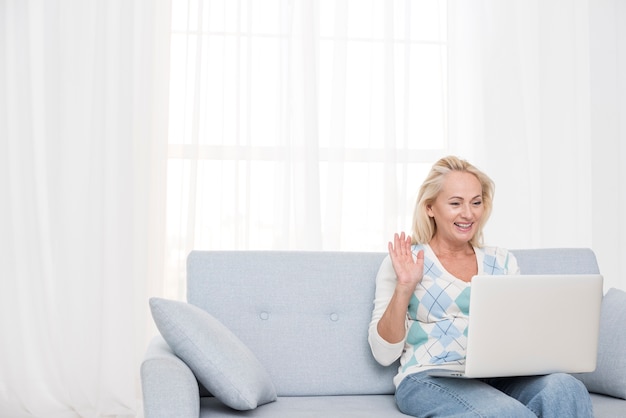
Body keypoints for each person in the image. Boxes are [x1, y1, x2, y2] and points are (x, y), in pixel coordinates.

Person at [368, 156, 593, 417]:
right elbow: (383, 354)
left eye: (476, 202)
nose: (468, 213)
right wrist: (405, 286)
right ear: (430, 207)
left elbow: (521, 331)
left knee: (566, 388)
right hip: (428, 376)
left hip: (498, 375)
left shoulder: (502, 261)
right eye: (455, 203)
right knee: (506, 412)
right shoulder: (404, 261)